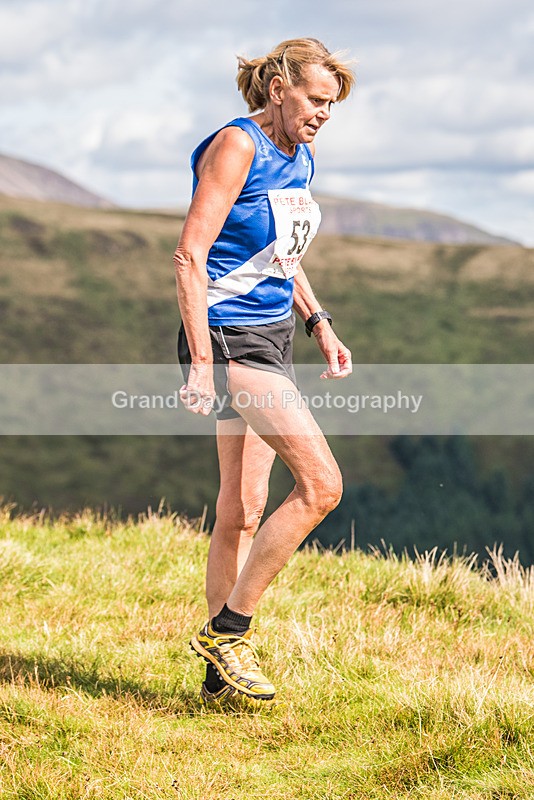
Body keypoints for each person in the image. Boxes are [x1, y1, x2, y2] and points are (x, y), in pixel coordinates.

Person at [174, 37, 355, 703]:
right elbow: (190, 255)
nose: (323, 114)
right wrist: (199, 363)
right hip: (228, 338)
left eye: (331, 105)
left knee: (244, 508)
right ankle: (230, 631)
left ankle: (215, 681)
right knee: (322, 485)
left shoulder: (300, 157)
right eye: (314, 99)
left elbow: (283, 253)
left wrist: (318, 321)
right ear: (278, 89)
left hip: (272, 335)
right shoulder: (237, 145)